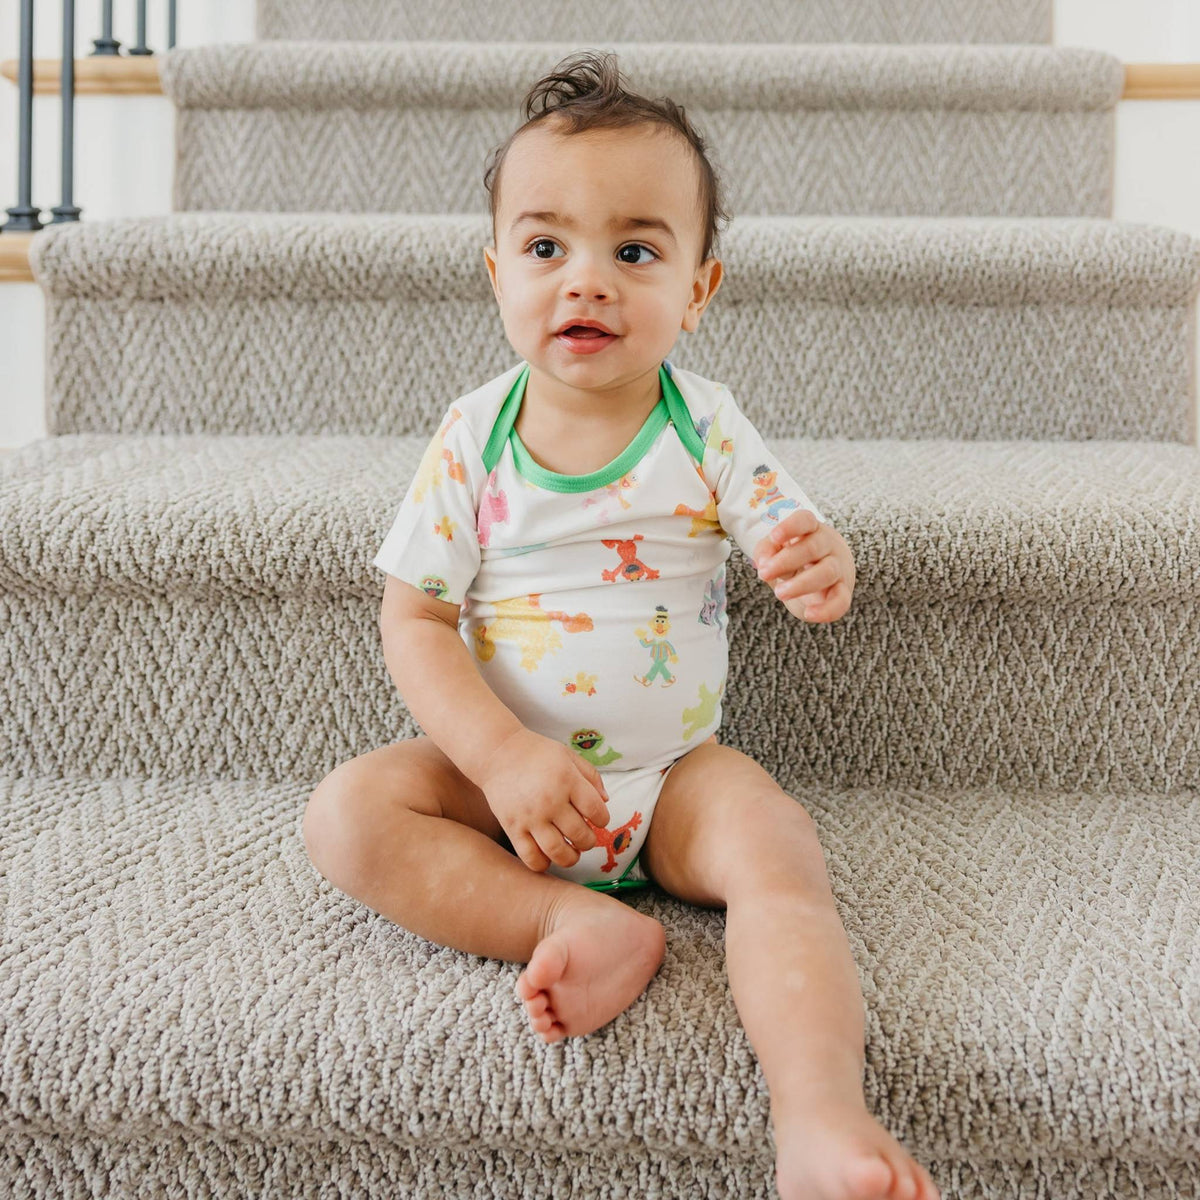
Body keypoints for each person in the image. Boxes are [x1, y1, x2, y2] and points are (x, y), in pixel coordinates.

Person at [303, 48, 939, 1200]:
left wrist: (818, 563)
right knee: (349, 816)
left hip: (671, 779)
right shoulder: (473, 437)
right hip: (507, 791)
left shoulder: (706, 426)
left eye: (634, 251)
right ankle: (572, 922)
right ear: (497, 274)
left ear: (698, 290)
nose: (584, 281)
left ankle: (819, 1119)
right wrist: (498, 759)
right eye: (546, 248)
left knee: (782, 859)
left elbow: (788, 534)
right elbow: (414, 620)